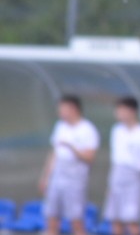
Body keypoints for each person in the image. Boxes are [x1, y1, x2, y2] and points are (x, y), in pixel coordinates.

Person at [39, 94, 100, 235]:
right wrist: (46, 177)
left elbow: (90, 157)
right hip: (57, 177)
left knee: (76, 219)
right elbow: (54, 153)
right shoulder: (60, 126)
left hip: (75, 180)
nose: (60, 112)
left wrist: (71, 148)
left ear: (73, 109)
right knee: (51, 215)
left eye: (63, 109)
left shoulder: (87, 129)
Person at [104, 96, 140, 235]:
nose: (119, 114)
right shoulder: (116, 130)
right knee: (115, 218)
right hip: (117, 176)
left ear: (132, 111)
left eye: (122, 110)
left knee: (133, 219)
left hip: (135, 179)